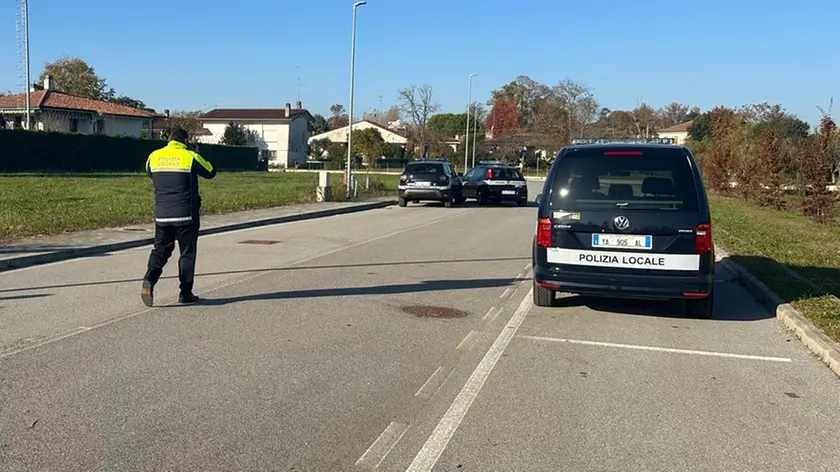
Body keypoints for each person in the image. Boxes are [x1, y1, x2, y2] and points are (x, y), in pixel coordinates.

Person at [141, 128, 216, 307]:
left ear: (169, 139)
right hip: (186, 213)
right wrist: (195, 152)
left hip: (162, 214)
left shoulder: (154, 156)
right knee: (187, 253)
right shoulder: (190, 156)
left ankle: (149, 280)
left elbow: (150, 173)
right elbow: (211, 171)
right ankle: (185, 292)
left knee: (160, 250)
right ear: (186, 139)